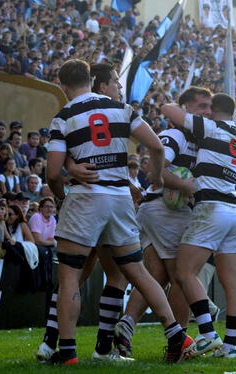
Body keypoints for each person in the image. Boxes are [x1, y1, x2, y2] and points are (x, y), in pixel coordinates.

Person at [45, 59, 194, 364]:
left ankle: (68, 352)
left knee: (71, 275)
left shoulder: (64, 116)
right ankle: (176, 333)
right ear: (91, 79)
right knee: (137, 272)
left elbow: (51, 173)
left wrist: (62, 196)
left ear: (62, 86)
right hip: (119, 197)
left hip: (87, 199)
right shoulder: (121, 108)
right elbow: (155, 145)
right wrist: (155, 176)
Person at [114, 86, 211, 358]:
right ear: (185, 110)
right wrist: (184, 185)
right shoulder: (175, 134)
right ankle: (179, 342)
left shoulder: (195, 140)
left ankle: (126, 326)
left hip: (155, 211)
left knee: (154, 277)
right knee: (182, 278)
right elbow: (154, 169)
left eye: (209, 107)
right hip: (166, 212)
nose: (207, 112)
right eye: (201, 106)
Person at [162, 93, 236, 358]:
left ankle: (208, 335)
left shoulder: (210, 127)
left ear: (213, 112)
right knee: (232, 284)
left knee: (184, 272)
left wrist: (194, 115)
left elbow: (167, 109)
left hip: (212, 208)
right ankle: (230, 347)